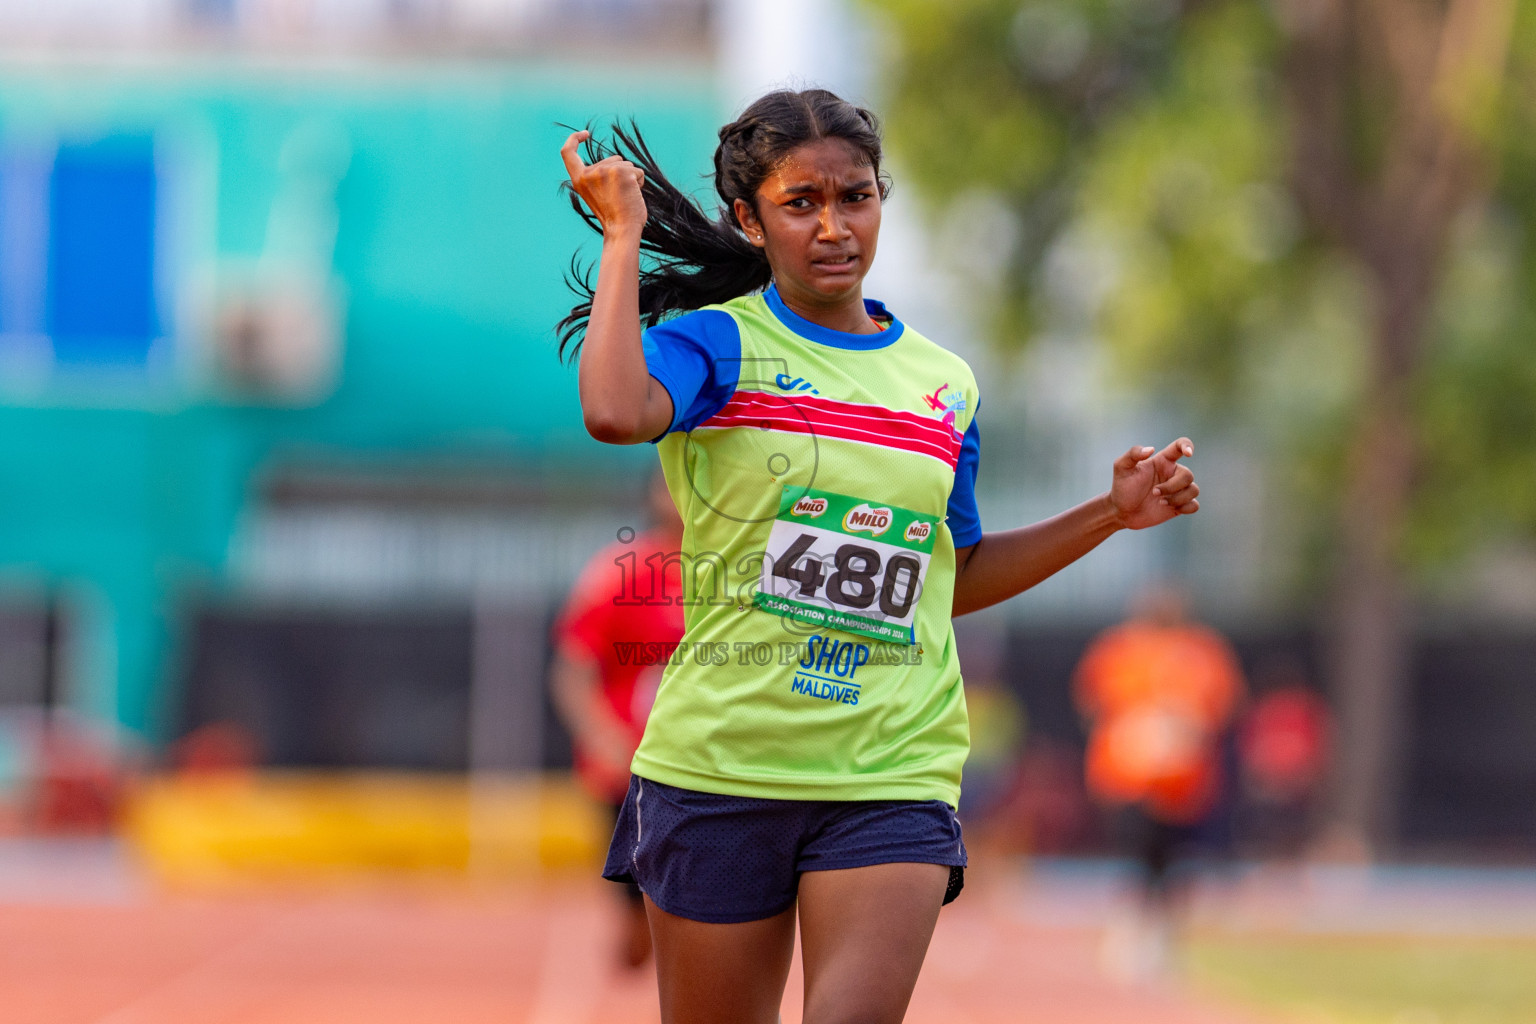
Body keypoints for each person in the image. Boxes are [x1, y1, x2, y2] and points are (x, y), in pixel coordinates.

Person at [558, 88, 1202, 1024]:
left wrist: (1109, 512)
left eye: (855, 197)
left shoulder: (943, 384)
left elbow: (955, 575)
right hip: (721, 771)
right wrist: (623, 237)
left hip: (889, 772)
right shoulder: (717, 346)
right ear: (750, 217)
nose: (834, 226)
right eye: (800, 203)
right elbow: (615, 412)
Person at [1073, 583, 1245, 977]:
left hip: (1182, 782)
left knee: (1174, 861)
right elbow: (1094, 700)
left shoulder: (1203, 651)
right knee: (1135, 854)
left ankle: (1165, 936)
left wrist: (1183, 727)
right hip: (1127, 776)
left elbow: (1221, 708)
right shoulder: (1119, 648)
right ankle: (1132, 929)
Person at [549, 469, 685, 968]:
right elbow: (572, 667)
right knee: (637, 924)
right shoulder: (618, 571)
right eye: (668, 485)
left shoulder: (743, 573)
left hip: (709, 766)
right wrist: (600, 734)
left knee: (695, 917)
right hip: (626, 772)